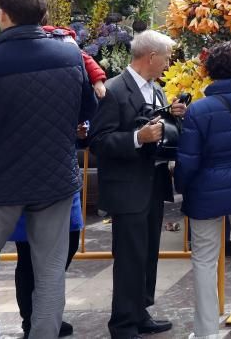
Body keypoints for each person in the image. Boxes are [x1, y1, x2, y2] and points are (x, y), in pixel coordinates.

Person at [0, 0, 97, 338]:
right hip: (55, 182)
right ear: (42, 14)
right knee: (49, 276)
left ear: (3, 15)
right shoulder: (69, 56)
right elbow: (87, 111)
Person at [89, 30, 187, 339]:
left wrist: (170, 116)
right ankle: (122, 323)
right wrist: (136, 138)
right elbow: (99, 141)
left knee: (147, 254)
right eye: (167, 58)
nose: (168, 64)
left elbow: (153, 124)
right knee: (129, 257)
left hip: (152, 185)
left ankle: (140, 311)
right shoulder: (115, 90)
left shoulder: (155, 91)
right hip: (127, 188)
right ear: (151, 57)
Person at [175, 41, 231, 339]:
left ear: (211, 70)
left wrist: (181, 187)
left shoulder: (198, 110)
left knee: (204, 259)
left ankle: (205, 330)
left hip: (206, 189)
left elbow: (188, 159)